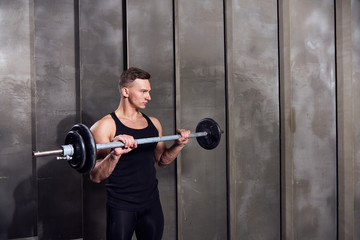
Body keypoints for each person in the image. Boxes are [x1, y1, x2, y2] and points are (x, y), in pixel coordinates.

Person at [89, 67, 190, 240]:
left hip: (151, 205)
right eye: (143, 91)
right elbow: (96, 176)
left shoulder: (153, 123)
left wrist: (178, 145)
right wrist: (114, 154)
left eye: (149, 92)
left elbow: (162, 160)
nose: (148, 97)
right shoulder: (105, 126)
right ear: (125, 91)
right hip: (121, 207)